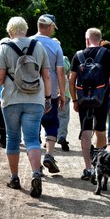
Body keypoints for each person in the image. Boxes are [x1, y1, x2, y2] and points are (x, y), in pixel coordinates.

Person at [0, 16, 52, 198]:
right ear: (26, 29)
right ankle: (36, 173)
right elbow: (46, 76)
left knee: (12, 139)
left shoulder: (4, 48)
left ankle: (14, 178)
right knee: (32, 139)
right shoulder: (38, 46)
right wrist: (48, 98)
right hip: (35, 99)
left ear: (10, 31)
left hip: (11, 101)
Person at [69, 28, 110, 181]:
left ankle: (88, 169)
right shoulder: (109, 55)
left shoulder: (78, 55)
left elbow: (71, 81)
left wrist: (74, 100)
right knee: (100, 130)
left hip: (84, 100)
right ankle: (99, 163)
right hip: (102, 99)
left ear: (87, 40)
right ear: (100, 39)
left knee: (86, 131)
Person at [32, 14, 66, 174]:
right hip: (49, 93)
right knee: (52, 124)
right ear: (50, 26)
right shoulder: (55, 45)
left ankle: (36, 163)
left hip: (30, 94)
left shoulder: (28, 42)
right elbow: (60, 72)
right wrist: (62, 94)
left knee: (33, 127)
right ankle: (49, 155)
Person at [56, 51, 72, 151]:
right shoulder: (64, 59)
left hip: (51, 90)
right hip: (64, 90)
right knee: (63, 116)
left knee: (50, 114)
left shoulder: (47, 57)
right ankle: (62, 136)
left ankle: (50, 138)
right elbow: (70, 75)